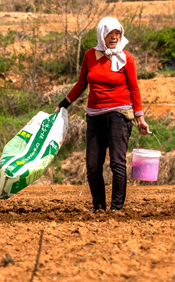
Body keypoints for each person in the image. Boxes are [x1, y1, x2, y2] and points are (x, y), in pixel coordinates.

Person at [56, 16, 151, 213]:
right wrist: (64, 104)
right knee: (92, 165)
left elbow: (134, 88)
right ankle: (98, 207)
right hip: (94, 115)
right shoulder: (90, 55)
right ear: (101, 34)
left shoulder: (127, 58)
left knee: (117, 162)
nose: (114, 37)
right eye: (110, 33)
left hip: (119, 114)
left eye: (117, 33)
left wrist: (140, 117)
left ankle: (116, 209)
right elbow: (82, 83)